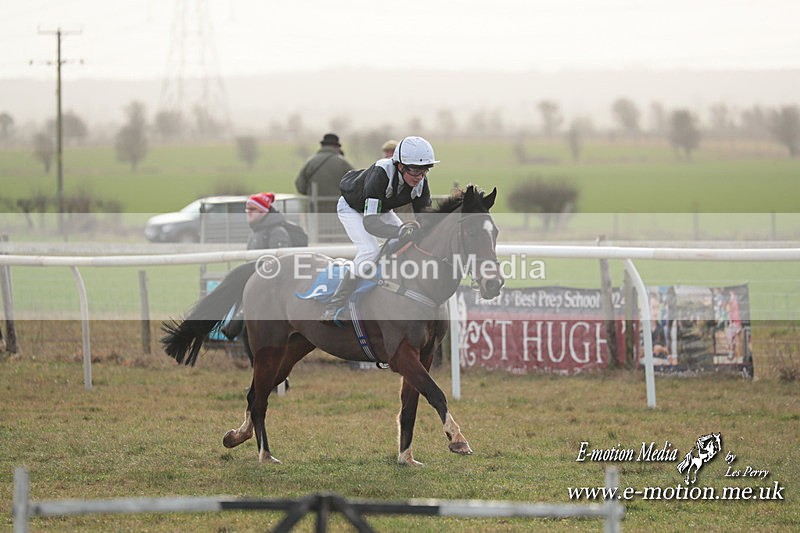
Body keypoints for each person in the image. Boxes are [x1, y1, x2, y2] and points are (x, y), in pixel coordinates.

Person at [320, 135, 438, 324]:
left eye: (424, 170)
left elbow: (425, 219)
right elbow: (370, 223)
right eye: (415, 170)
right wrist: (399, 231)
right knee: (370, 250)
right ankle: (334, 304)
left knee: (406, 240)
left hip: (380, 209)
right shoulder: (381, 173)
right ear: (400, 166)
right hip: (351, 208)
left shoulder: (421, 182)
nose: (420, 176)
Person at [294, 133, 355, 199]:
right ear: (337, 147)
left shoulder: (310, 162)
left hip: (314, 203)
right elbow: (355, 184)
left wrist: (312, 193)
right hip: (336, 203)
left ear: (322, 146)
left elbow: (300, 186)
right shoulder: (343, 163)